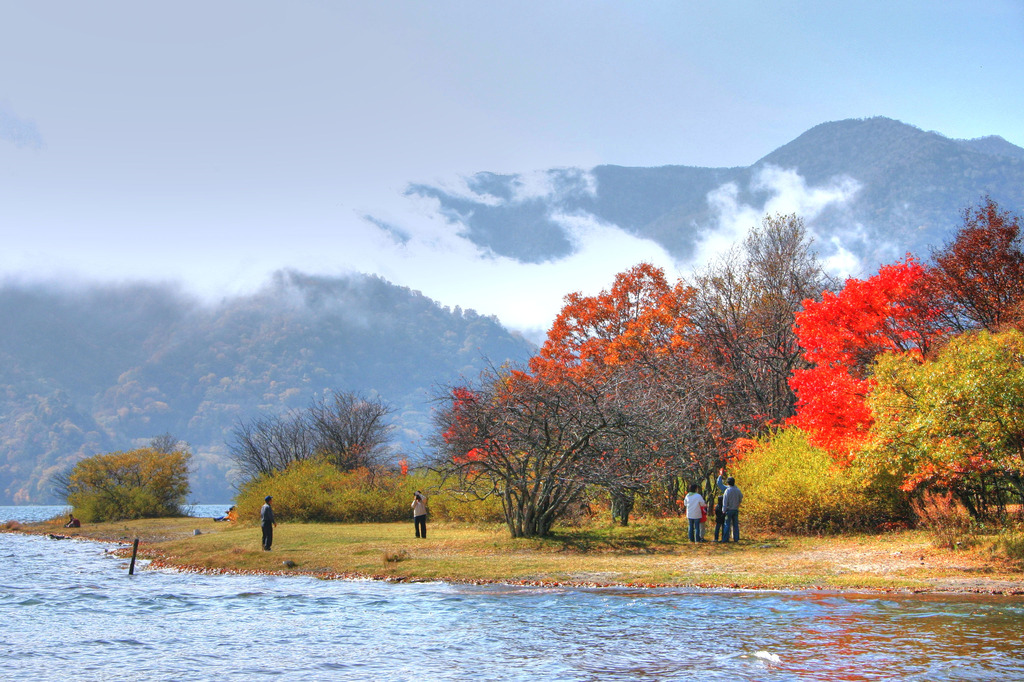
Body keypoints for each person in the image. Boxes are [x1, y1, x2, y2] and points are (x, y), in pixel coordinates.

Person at [716, 470, 743, 542]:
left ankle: (725, 539)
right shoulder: (738, 490)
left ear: (728, 483)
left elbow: (725, 501)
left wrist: (723, 510)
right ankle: (736, 539)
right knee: (735, 525)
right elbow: (741, 498)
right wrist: (738, 504)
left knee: (727, 524)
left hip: (728, 509)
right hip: (735, 509)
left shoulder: (727, 491)